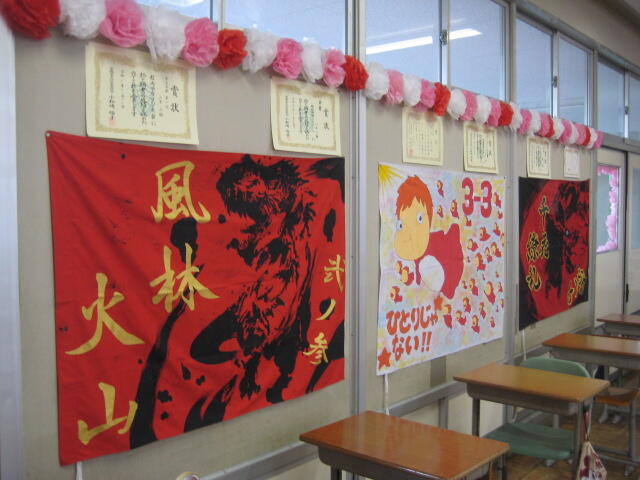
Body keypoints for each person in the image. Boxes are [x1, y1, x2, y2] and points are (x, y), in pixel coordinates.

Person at [393, 175, 463, 299]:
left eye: (419, 219)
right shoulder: (414, 250)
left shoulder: (436, 243)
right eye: (401, 225)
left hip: (448, 271)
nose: (411, 232)